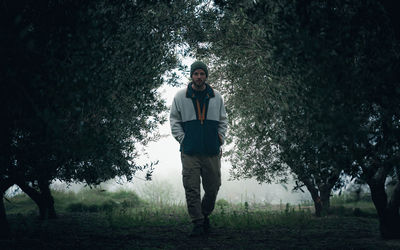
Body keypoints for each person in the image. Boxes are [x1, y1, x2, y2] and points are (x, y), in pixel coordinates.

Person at [170, 61, 228, 236]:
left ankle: (204, 214)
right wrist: (183, 139)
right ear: (191, 76)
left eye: (202, 74)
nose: (199, 77)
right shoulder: (180, 96)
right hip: (190, 151)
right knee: (191, 187)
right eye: (196, 74)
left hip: (211, 150)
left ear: (206, 76)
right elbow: (174, 121)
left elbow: (223, 121)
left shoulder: (216, 96)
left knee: (213, 187)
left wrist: (220, 138)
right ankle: (198, 222)